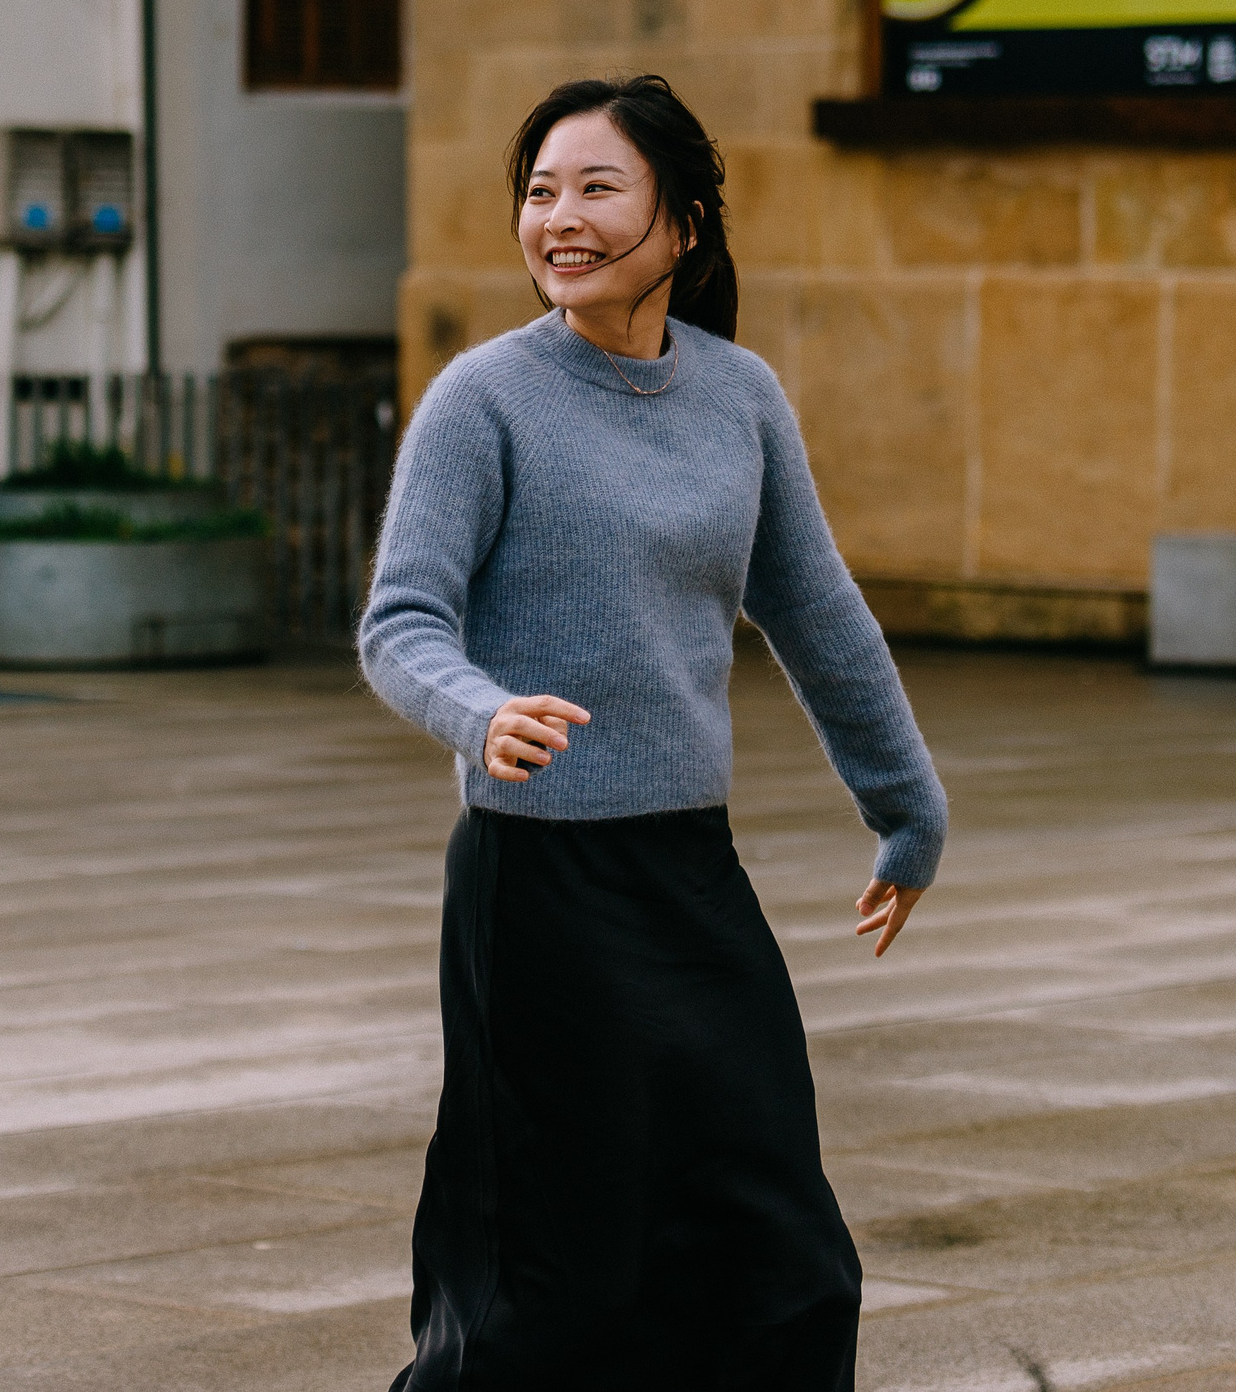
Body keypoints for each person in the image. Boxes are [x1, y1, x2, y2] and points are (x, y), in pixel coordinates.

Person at [359, 74, 948, 1392]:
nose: (559, 218)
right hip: (538, 889)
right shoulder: (484, 399)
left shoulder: (738, 398)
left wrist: (908, 810)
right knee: (549, 1286)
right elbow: (400, 625)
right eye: (538, 191)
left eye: (595, 187)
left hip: (689, 878)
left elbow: (820, 617)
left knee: (782, 1258)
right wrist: (483, 711)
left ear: (682, 223)